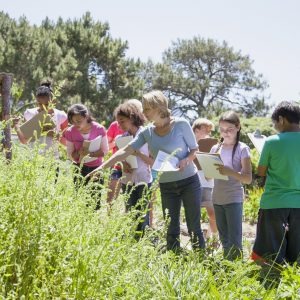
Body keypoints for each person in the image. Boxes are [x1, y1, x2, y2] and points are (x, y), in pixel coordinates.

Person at [89, 90, 205, 251]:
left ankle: (201, 260)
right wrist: (101, 167)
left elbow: (194, 149)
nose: (143, 113)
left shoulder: (181, 124)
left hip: (189, 182)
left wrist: (186, 160)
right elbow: (125, 150)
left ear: (159, 108)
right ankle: (174, 261)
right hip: (166, 185)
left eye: (147, 109)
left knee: (194, 226)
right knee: (171, 228)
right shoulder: (147, 132)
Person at [251, 101, 300, 265]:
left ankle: (269, 286)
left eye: (274, 123)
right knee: (297, 257)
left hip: (274, 203)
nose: (275, 127)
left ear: (282, 119)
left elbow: (261, 172)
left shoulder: (272, 142)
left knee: (270, 257)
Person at [211, 111, 252, 260]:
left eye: (230, 129)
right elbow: (209, 175)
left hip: (233, 198)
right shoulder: (215, 149)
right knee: (224, 239)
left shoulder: (243, 149)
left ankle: (236, 271)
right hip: (217, 198)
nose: (225, 133)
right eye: (222, 130)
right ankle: (228, 270)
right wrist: (208, 170)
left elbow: (247, 178)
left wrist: (231, 172)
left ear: (238, 127)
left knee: (234, 239)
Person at [114, 100, 153, 237]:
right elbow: (119, 158)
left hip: (143, 179)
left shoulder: (147, 134)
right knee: (130, 211)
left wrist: (138, 153)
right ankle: (133, 241)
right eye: (118, 122)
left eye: (122, 121)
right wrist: (124, 164)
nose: (119, 125)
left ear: (131, 118)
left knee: (143, 213)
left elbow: (153, 162)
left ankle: (144, 242)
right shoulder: (121, 138)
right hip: (128, 180)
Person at [63, 104, 109, 209]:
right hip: (79, 169)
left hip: (96, 168)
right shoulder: (70, 132)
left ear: (86, 116)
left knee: (95, 200)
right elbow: (70, 155)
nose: (76, 124)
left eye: (79, 121)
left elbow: (105, 151)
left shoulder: (99, 129)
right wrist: (79, 153)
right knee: (80, 199)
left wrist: (90, 154)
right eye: (73, 121)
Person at [13, 81, 68, 157]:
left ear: (53, 101)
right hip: (33, 160)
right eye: (39, 104)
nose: (43, 107)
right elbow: (24, 141)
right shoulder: (29, 113)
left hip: (52, 161)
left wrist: (55, 135)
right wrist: (16, 125)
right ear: (36, 101)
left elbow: (67, 143)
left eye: (46, 104)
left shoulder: (61, 115)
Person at [192, 118, 218, 239]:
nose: (208, 133)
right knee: (194, 212)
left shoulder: (213, 146)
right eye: (205, 130)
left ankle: (214, 236)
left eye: (209, 130)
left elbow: (216, 165)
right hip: (193, 182)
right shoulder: (189, 145)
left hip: (208, 182)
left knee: (212, 212)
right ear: (196, 130)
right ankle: (197, 239)